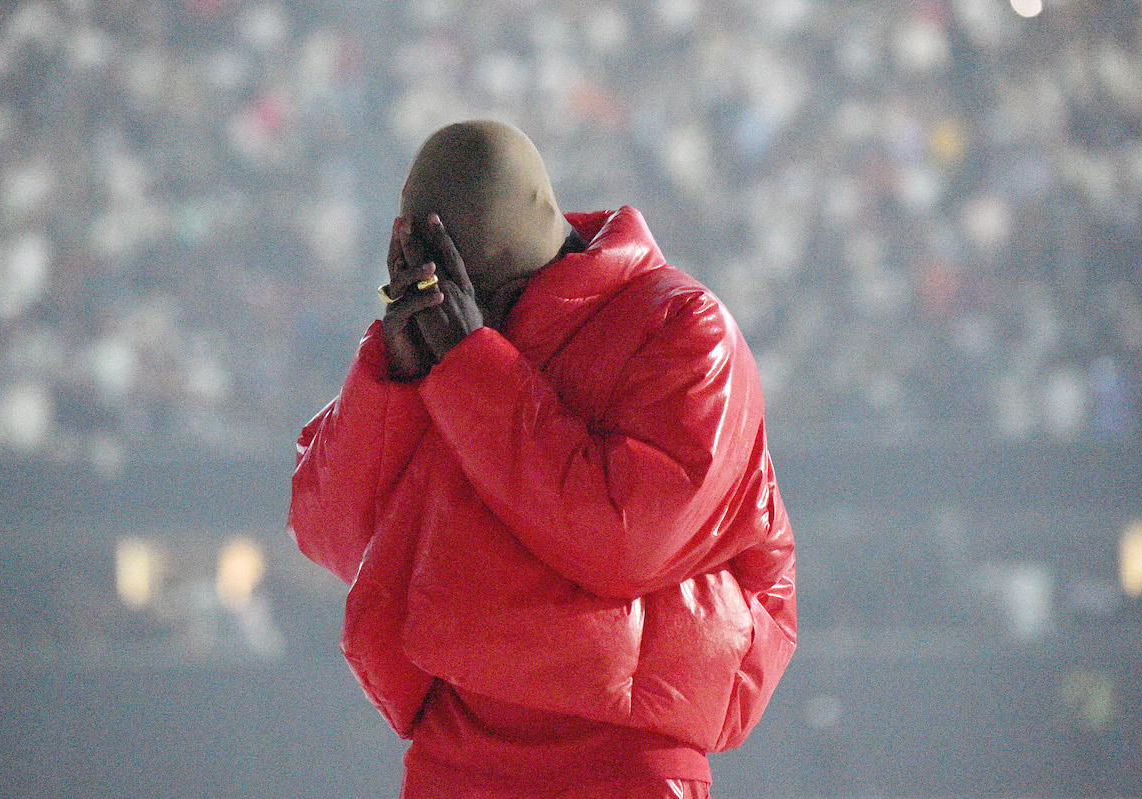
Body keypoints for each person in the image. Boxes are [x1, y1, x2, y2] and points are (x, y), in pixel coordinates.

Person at [289, 120, 796, 799]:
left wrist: (473, 365)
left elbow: (624, 538)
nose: (475, 318)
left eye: (490, 296)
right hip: (453, 759)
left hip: (623, 766)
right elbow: (329, 535)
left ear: (516, 258)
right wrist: (399, 380)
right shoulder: (443, 337)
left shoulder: (684, 328)